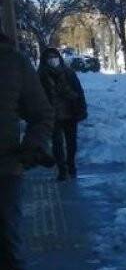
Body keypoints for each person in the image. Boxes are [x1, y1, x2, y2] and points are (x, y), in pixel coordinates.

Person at [0, 33, 56, 270]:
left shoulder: (12, 61)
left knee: (7, 252)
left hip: (4, 172)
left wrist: (33, 147)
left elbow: (42, 114)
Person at [37, 48, 88, 181]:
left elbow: (79, 92)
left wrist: (82, 109)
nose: (53, 60)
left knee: (71, 143)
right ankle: (62, 169)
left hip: (70, 113)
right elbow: (37, 96)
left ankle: (71, 164)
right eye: (49, 58)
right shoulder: (41, 76)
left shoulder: (69, 73)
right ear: (44, 60)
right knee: (57, 143)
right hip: (53, 115)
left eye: (55, 57)